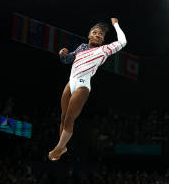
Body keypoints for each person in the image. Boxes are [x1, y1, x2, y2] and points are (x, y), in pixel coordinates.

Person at [49, 18, 127, 161]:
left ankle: (60, 147)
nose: (98, 35)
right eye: (95, 32)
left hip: (83, 85)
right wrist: (62, 54)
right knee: (62, 117)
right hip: (70, 83)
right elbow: (67, 60)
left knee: (69, 118)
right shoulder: (81, 47)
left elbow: (123, 42)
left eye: (101, 34)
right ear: (89, 35)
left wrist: (116, 24)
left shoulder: (104, 50)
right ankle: (62, 147)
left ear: (102, 40)